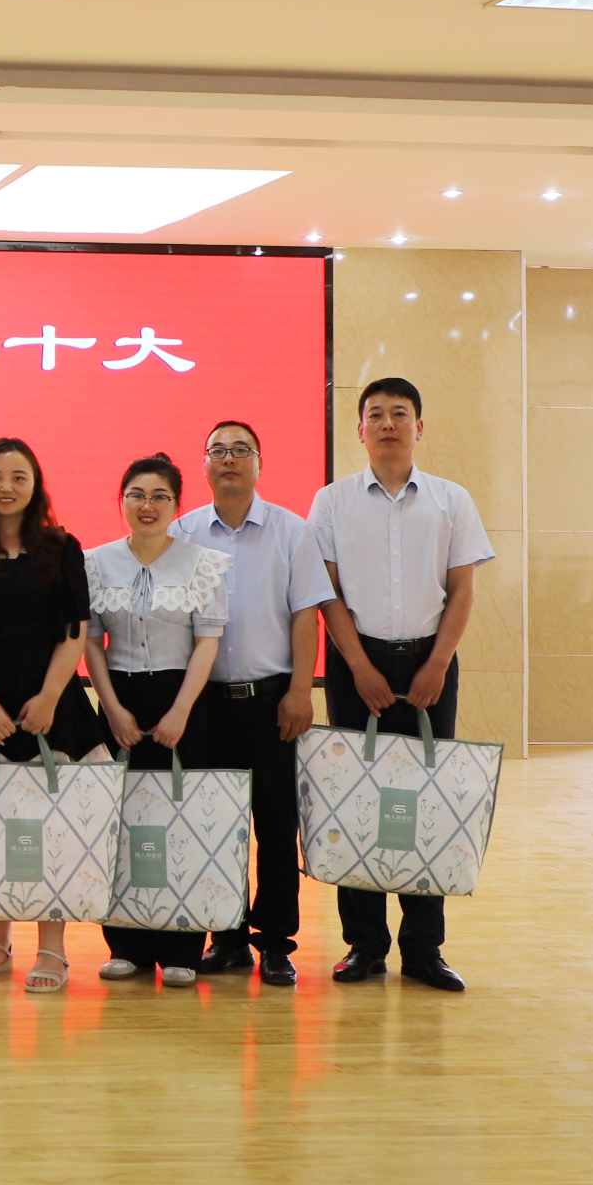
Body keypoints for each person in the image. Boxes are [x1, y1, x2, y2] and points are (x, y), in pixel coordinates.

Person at [304, 376, 493, 993]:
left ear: (420, 426)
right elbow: (326, 593)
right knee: (357, 799)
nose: (388, 423)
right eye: (376, 414)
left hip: (430, 662)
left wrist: (437, 664)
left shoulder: (451, 500)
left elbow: (462, 591)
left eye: (400, 413)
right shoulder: (331, 502)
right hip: (355, 661)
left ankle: (423, 948)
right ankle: (363, 945)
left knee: (424, 801)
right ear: (360, 429)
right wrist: (359, 667)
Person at [175, 418, 333, 987]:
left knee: (275, 824)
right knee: (215, 823)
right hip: (206, 705)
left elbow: (305, 615)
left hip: (272, 701)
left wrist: (300, 690)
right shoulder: (183, 532)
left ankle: (275, 944)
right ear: (204, 465)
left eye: (240, 449)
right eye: (217, 450)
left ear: (259, 463)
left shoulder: (292, 531)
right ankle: (228, 938)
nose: (229, 459)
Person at [0, 438, 101, 994]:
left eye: (18, 477)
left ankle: (52, 947)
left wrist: (51, 696)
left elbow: (75, 629)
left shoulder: (61, 547)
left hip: (51, 710)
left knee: (49, 828)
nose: (6, 487)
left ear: (35, 486)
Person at [86, 451, 232, 988]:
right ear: (121, 500)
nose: (147, 506)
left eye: (159, 496)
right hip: (119, 696)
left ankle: (182, 947)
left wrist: (180, 711)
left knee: (182, 822)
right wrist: (113, 710)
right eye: (137, 495)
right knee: (119, 823)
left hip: (184, 699)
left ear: (176, 504)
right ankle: (124, 943)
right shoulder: (95, 562)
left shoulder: (203, 562)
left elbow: (207, 641)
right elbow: (91, 642)